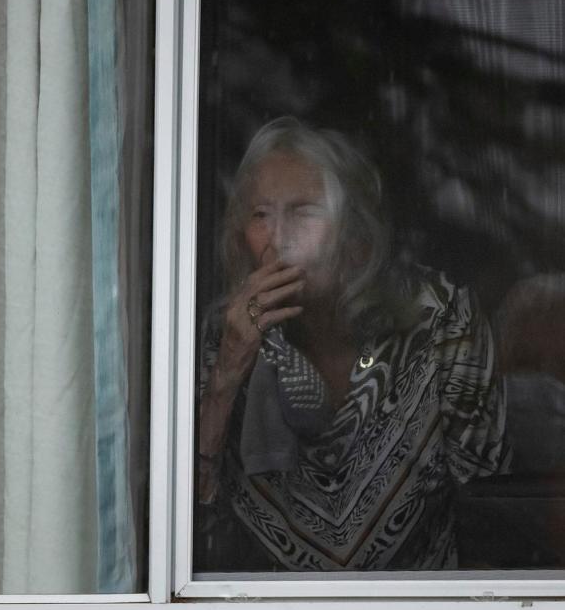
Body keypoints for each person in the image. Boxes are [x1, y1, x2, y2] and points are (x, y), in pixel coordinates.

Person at [194, 117, 506, 571]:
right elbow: (187, 528)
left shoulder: (440, 314)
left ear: (355, 236)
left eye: (303, 211)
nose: (278, 239)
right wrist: (227, 372)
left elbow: (492, 508)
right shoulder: (227, 331)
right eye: (260, 215)